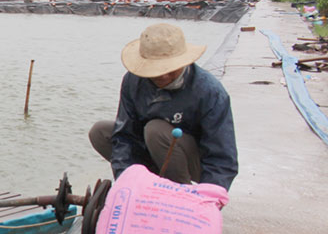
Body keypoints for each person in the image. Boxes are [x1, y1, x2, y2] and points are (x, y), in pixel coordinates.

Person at [89, 22, 238, 191]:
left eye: (170, 68)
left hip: (192, 160)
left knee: (155, 130)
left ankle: (179, 193)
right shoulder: (132, 81)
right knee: (100, 131)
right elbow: (125, 136)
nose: (164, 75)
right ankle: (144, 185)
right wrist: (125, 182)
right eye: (156, 69)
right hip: (153, 154)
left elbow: (223, 158)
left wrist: (209, 197)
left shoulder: (210, 92)